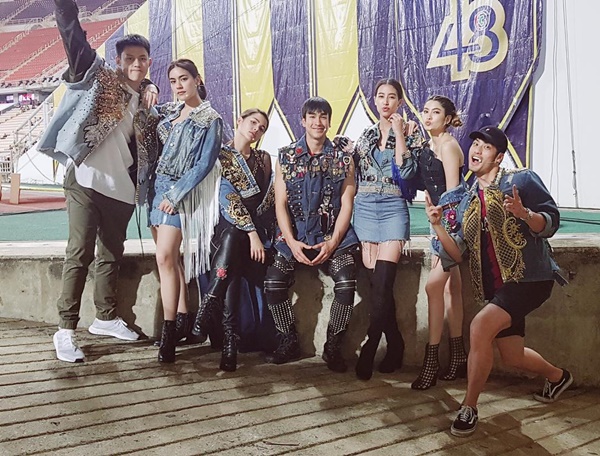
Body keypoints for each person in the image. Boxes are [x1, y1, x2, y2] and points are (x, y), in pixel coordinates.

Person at [425, 126, 572, 437]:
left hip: (530, 278)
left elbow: (551, 221)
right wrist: (437, 226)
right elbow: (456, 253)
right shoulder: (466, 200)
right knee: (512, 356)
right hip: (498, 287)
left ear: (499, 156)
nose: (477, 150)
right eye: (475, 144)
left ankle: (469, 407)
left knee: (479, 327)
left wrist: (524, 213)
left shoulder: (521, 180)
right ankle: (558, 377)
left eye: (486, 146)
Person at [37, 0, 160, 363]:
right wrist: (64, 6)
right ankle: (65, 329)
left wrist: (149, 86)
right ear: (118, 61)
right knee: (80, 252)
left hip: (121, 188)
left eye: (142, 59)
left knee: (111, 255)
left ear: (149, 62)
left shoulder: (147, 103)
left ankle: (105, 318)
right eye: (129, 58)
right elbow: (73, 39)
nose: (136, 64)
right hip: (85, 179)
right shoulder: (100, 77)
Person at [263, 96, 359, 372]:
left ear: (329, 121)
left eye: (323, 116)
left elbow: (347, 204)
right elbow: (280, 204)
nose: (318, 122)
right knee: (273, 282)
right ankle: (288, 340)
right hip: (294, 236)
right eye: (313, 117)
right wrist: (291, 242)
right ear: (303, 121)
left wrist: (333, 242)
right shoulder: (286, 156)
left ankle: (333, 346)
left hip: (333, 236)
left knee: (346, 283)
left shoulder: (343, 158)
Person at [148, 59, 222, 363]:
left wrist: (177, 195)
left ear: (197, 79)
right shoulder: (171, 111)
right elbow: (146, 111)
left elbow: (204, 164)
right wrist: (149, 86)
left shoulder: (211, 118)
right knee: (171, 260)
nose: (178, 85)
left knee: (164, 257)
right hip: (156, 188)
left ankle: (168, 334)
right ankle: (182, 321)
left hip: (178, 192)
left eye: (184, 79)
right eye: (173, 80)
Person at [191, 108, 276, 372]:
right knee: (232, 238)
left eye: (261, 128)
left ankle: (211, 303)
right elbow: (226, 199)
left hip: (254, 231)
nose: (256, 129)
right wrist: (250, 233)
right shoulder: (219, 155)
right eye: (253, 122)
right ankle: (229, 338)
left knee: (233, 245)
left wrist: (255, 232)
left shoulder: (263, 159)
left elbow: (267, 202)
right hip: (227, 226)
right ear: (239, 120)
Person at [352, 78, 422, 381]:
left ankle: (370, 346)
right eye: (380, 96)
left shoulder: (411, 133)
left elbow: (406, 171)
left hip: (394, 208)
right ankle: (395, 344)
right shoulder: (365, 135)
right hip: (365, 208)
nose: (385, 102)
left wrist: (400, 133)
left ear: (399, 102)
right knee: (378, 288)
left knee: (383, 282)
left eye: (391, 97)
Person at [402, 95, 469, 390]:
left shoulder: (449, 146)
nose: (428, 116)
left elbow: (454, 196)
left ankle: (431, 362)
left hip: (451, 225)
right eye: (426, 111)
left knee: (433, 287)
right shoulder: (428, 145)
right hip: (438, 222)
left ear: (448, 118)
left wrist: (444, 233)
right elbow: (411, 177)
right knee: (452, 290)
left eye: (436, 112)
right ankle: (458, 356)